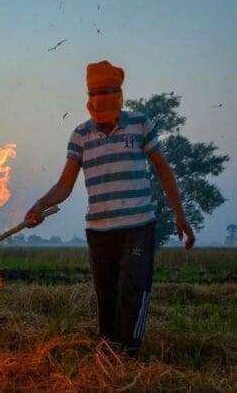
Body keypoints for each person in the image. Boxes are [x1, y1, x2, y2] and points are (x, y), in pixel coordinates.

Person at [25, 60, 194, 356]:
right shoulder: (80, 135)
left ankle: (129, 356)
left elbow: (163, 169)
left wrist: (179, 214)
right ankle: (108, 355)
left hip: (138, 227)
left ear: (119, 101)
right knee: (107, 296)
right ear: (89, 104)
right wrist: (39, 205)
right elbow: (65, 185)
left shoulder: (139, 124)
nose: (103, 119)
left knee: (132, 289)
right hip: (99, 231)